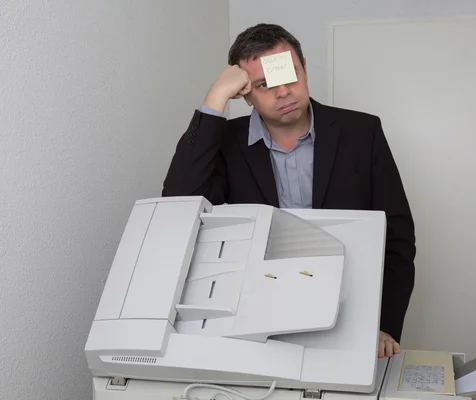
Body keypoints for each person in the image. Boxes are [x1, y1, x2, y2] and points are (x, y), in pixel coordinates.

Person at [162, 23, 416, 358]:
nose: (282, 92)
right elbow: (179, 204)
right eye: (264, 84)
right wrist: (215, 98)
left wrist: (385, 324)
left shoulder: (362, 132)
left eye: (289, 75)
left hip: (353, 314)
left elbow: (397, 237)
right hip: (256, 320)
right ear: (244, 93)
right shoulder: (224, 143)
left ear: (304, 69)